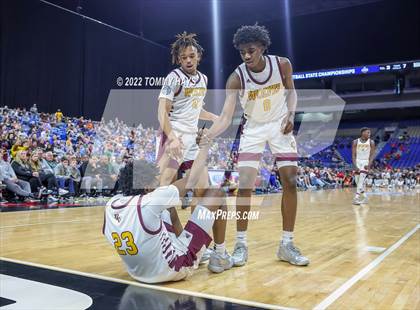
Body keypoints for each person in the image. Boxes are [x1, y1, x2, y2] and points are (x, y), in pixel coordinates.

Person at [206, 24, 309, 266]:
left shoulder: (282, 64)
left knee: (291, 182)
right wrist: (208, 135)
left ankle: (287, 243)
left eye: (251, 50)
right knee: (244, 187)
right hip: (252, 128)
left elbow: (292, 93)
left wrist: (291, 115)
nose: (247, 56)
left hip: (279, 124)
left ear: (262, 47)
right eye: (242, 52)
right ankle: (241, 244)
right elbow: (225, 117)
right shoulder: (236, 77)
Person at [103, 132, 234, 283]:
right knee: (216, 193)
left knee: (166, 208)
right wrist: (203, 148)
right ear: (146, 187)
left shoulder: (111, 204)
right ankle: (220, 254)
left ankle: (188, 245)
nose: (156, 183)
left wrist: (167, 152)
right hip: (175, 268)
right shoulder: (150, 202)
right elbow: (193, 178)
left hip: (137, 272)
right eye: (153, 181)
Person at [157, 32, 217, 187]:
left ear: (199, 56)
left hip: (192, 135)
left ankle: (194, 210)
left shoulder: (203, 79)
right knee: (164, 180)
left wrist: (212, 117)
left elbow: (195, 109)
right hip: (175, 132)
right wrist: (173, 138)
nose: (188, 60)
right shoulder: (173, 78)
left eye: (191, 56)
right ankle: (152, 210)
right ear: (179, 59)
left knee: (202, 185)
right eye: (184, 57)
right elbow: (161, 112)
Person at [352, 127, 375, 205]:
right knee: (357, 181)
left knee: (361, 180)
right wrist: (355, 165)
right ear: (363, 133)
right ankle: (365, 197)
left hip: (365, 162)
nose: (369, 134)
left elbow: (372, 155)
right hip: (357, 161)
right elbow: (353, 154)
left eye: (369, 133)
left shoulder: (371, 142)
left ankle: (356, 198)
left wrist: (369, 165)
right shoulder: (355, 142)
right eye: (368, 132)